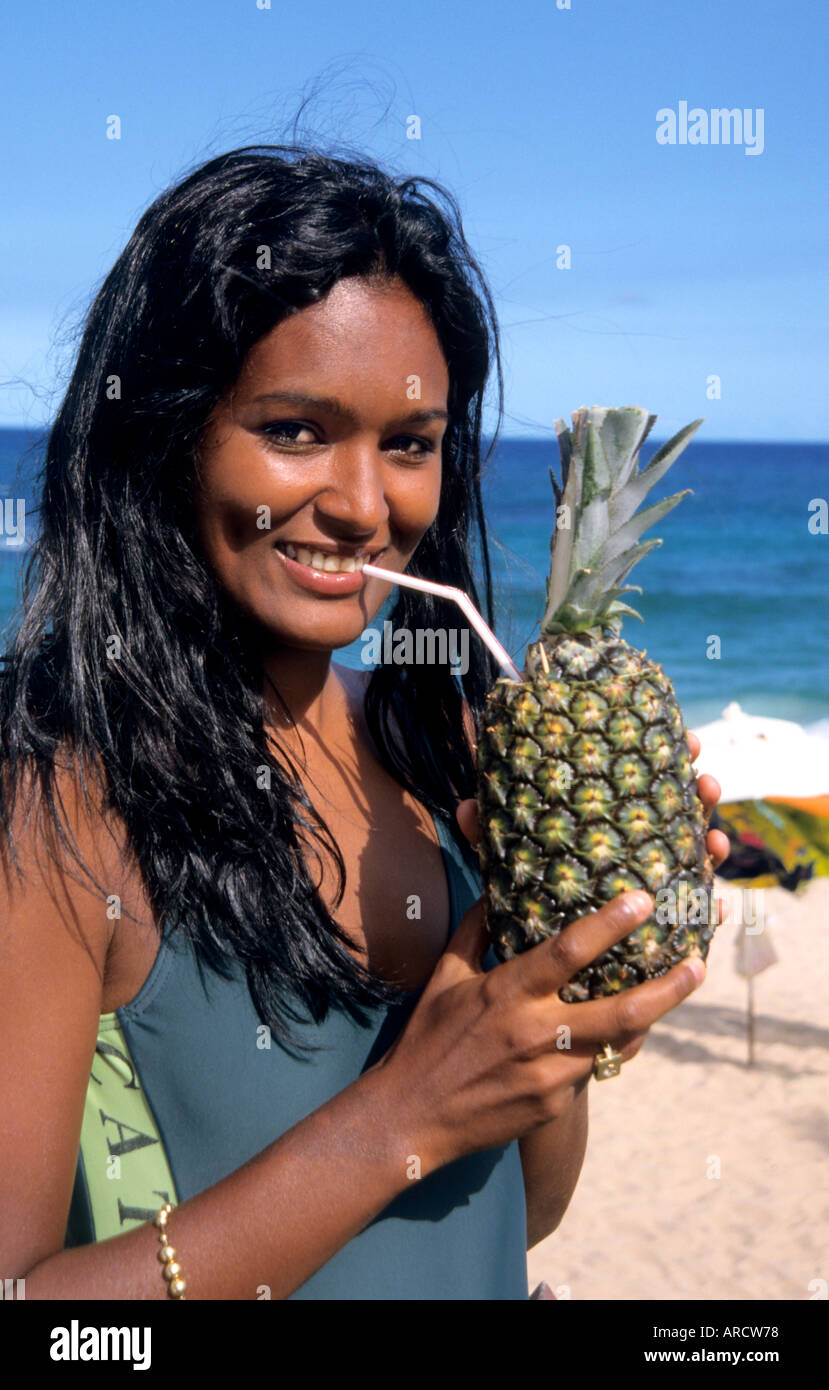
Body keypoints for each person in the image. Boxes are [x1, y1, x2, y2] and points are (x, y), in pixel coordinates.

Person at [0, 144, 729, 1300]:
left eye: (408, 443)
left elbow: (512, 1214)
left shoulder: (434, 760)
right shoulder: (59, 805)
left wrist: (574, 970)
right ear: (170, 433)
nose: (359, 505)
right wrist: (400, 1115)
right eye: (293, 430)